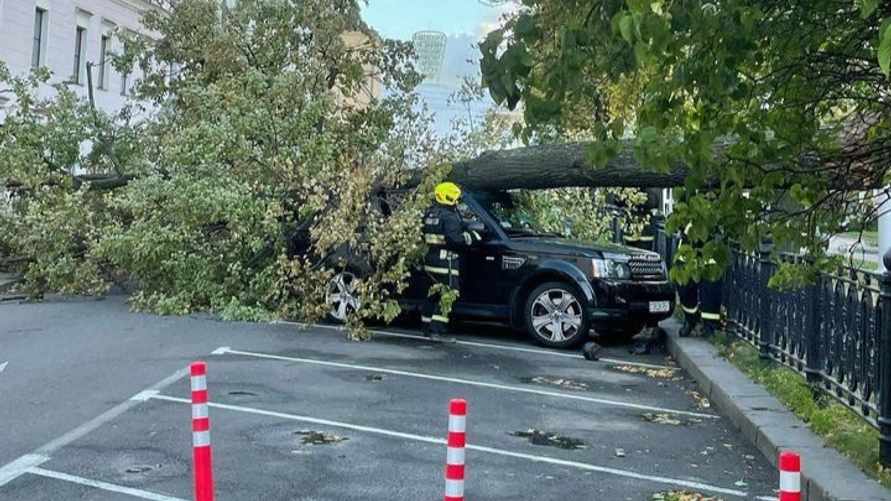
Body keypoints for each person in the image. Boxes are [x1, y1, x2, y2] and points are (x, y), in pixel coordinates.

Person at [421, 182, 478, 340]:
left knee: (433, 293)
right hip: (446, 262)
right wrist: (472, 236)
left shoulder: (430, 214)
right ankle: (436, 330)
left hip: (430, 260)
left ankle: (426, 326)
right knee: (449, 293)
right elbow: (456, 240)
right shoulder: (449, 217)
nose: (457, 201)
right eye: (455, 198)